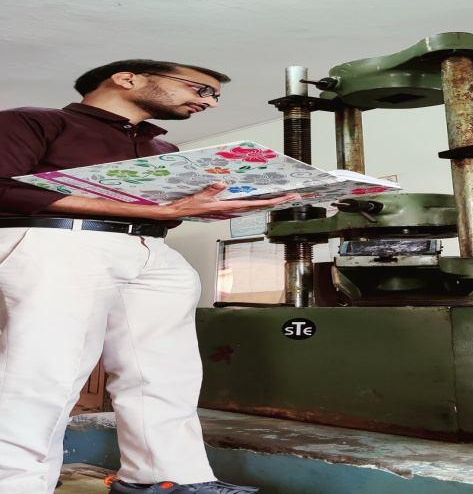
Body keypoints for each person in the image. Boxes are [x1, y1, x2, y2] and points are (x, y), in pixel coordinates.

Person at [0, 60, 298, 494]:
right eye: (201, 89)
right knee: (45, 373)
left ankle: (166, 479)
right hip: (58, 243)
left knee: (165, 374)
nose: (209, 102)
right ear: (128, 78)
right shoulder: (33, 121)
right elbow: (3, 187)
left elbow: (167, 214)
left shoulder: (165, 151)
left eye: (215, 96)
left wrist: (211, 207)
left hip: (152, 251)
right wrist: (158, 210)